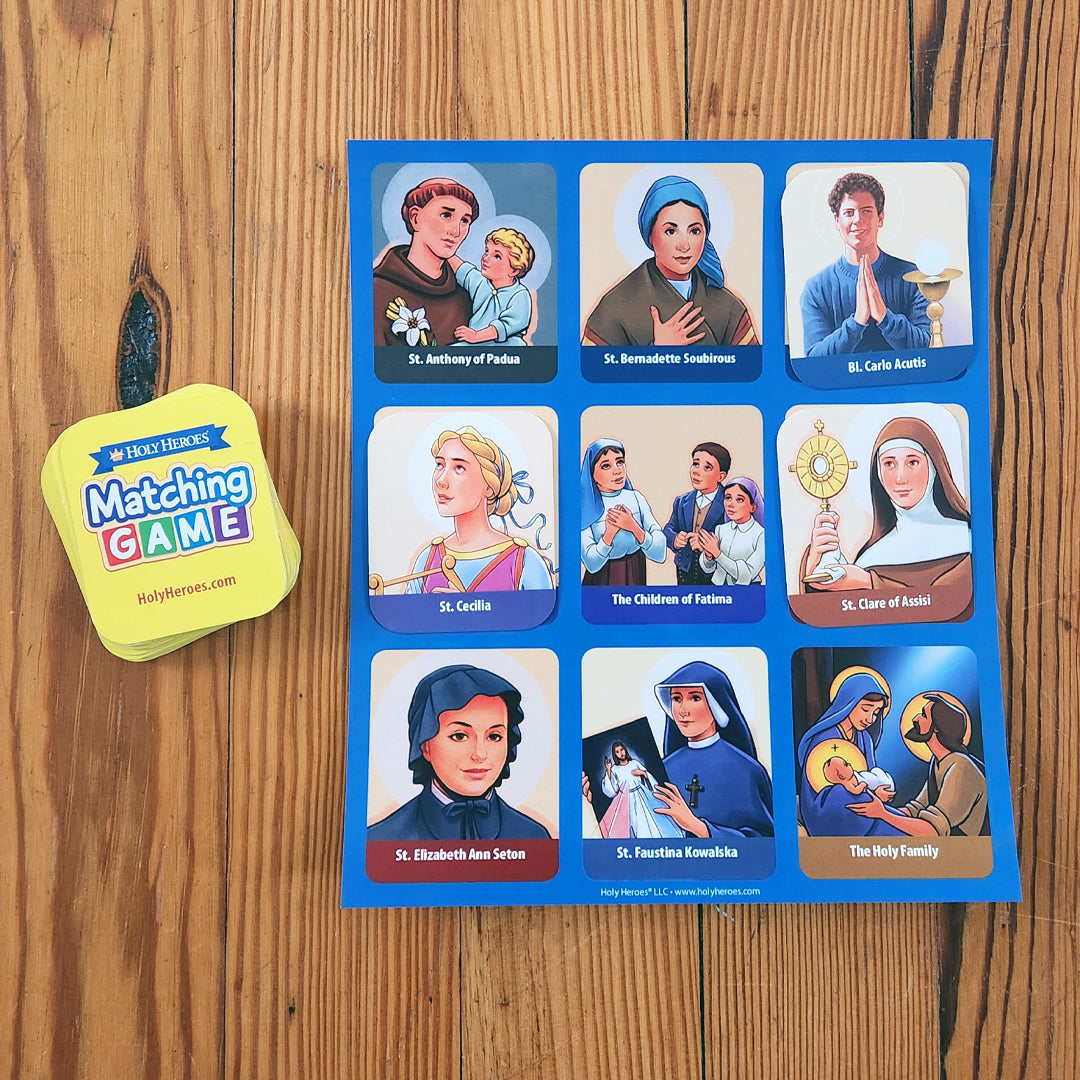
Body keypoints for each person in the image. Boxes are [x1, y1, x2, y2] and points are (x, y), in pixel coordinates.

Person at [800, 417, 972, 608]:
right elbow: (837, 619)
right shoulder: (870, 558)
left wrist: (870, 584)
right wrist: (816, 566)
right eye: (889, 464)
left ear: (934, 466)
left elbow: (945, 606)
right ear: (878, 473)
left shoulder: (967, 541)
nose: (900, 477)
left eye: (913, 462)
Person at [368, 664, 551, 841]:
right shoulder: (380, 839)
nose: (480, 754)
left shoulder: (535, 836)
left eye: (494, 736)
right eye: (460, 736)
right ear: (425, 746)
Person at [583, 175, 758, 348]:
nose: (684, 246)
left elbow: (754, 372)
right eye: (671, 231)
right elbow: (589, 373)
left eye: (694, 231)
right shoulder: (615, 307)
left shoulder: (729, 307)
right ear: (650, 235)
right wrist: (657, 350)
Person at [404, 425, 554, 593]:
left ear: (488, 486)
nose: (441, 480)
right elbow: (407, 617)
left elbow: (545, 618)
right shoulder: (427, 559)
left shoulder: (525, 561)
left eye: (459, 468)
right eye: (439, 464)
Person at [799, 171, 931, 356]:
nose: (857, 220)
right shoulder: (816, 289)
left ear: (881, 217)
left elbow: (929, 347)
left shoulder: (915, 278)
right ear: (837, 221)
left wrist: (885, 317)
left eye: (866, 211)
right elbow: (814, 360)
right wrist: (857, 322)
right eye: (848, 213)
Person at [650, 662, 774, 839]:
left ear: (717, 705)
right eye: (677, 699)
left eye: (695, 698)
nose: (683, 710)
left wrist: (699, 828)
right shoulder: (663, 769)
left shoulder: (747, 772)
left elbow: (764, 843)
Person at [847, 693, 988, 837]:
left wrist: (883, 814)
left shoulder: (961, 768)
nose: (916, 719)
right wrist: (875, 810)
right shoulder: (938, 762)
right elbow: (915, 809)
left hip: (962, 852)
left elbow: (932, 831)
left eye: (923, 715)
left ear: (937, 728)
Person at [796, 670, 904, 837]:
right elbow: (818, 786)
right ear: (849, 703)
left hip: (860, 801)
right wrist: (872, 794)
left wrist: (878, 790)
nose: (870, 718)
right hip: (825, 807)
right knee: (840, 794)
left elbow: (869, 775)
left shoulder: (864, 738)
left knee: (899, 821)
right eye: (865, 709)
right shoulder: (825, 736)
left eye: (875, 713)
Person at [373, 177, 479, 346]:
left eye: (465, 220)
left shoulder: (464, 299)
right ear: (416, 218)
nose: (456, 231)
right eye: (446, 215)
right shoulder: (378, 291)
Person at [580, 439, 667, 586]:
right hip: (602, 579)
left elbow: (660, 552)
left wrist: (633, 527)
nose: (617, 470)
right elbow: (591, 564)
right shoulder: (585, 507)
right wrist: (609, 534)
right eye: (606, 466)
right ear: (591, 473)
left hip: (635, 571)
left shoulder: (636, 498)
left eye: (620, 462)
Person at [448, 228, 535, 345]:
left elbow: (506, 325)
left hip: (506, 347)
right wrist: (444, 253)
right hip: (475, 344)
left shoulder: (520, 295)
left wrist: (476, 335)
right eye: (487, 251)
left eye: (497, 256)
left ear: (514, 270)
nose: (485, 258)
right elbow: (462, 269)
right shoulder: (481, 282)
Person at [662, 442, 730, 585]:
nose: (696, 471)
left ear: (721, 476)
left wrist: (706, 544)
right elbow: (668, 530)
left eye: (707, 468)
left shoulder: (729, 502)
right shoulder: (681, 501)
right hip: (685, 569)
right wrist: (675, 539)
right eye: (695, 464)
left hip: (716, 574)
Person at [596, 741, 682, 839]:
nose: (621, 753)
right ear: (615, 754)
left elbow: (648, 778)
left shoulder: (634, 763)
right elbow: (612, 791)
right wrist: (608, 771)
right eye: (618, 752)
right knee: (637, 825)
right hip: (628, 802)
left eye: (622, 749)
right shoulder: (615, 770)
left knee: (653, 819)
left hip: (644, 795)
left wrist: (641, 773)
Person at [698, 477, 765, 585]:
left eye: (739, 500)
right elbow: (708, 569)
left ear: (753, 507)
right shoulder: (721, 529)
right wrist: (708, 556)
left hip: (747, 591)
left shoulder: (761, 535)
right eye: (728, 498)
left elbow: (747, 573)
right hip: (719, 589)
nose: (730, 504)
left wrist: (717, 553)